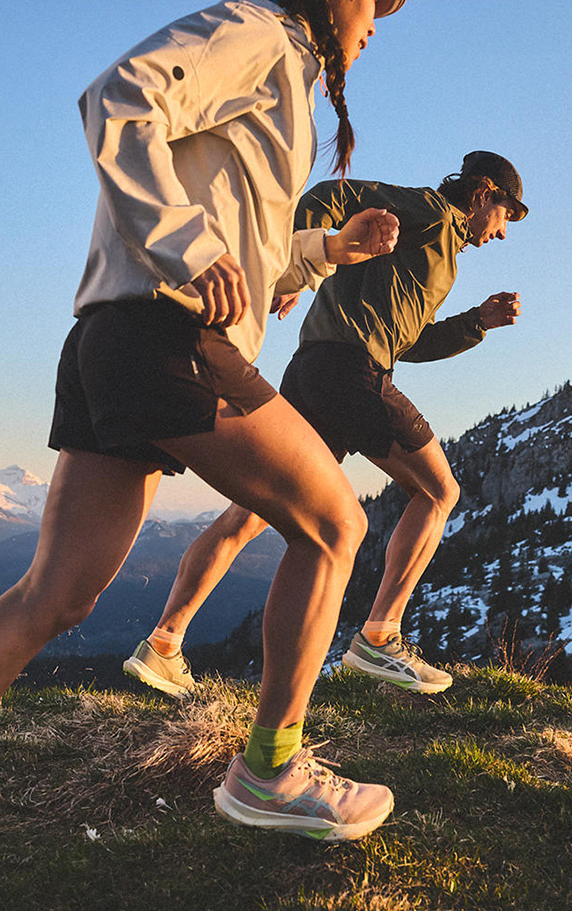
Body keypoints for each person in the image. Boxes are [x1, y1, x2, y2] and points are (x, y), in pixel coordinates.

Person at [0, 1, 407, 908]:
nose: (381, 20)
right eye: (381, 1)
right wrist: (186, 245)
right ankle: (269, 769)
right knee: (335, 523)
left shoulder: (286, 71)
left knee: (55, 595)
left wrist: (325, 249)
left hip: (112, 338)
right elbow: (118, 95)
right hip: (169, 338)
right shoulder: (259, 32)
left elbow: (243, 251)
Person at [125, 149, 527, 698]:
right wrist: (295, 265)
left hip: (316, 369)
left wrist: (477, 322)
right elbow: (330, 195)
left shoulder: (439, 251)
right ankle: (380, 638)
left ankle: (163, 644)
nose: (502, 232)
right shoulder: (430, 212)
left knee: (251, 513)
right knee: (439, 491)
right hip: (350, 370)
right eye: (507, 214)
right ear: (483, 194)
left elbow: (407, 341)